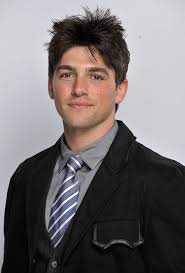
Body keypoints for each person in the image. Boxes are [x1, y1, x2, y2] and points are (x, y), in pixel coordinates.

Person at [1, 7, 185, 273]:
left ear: (120, 89)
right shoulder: (26, 177)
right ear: (51, 86)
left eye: (96, 76)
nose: (79, 89)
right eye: (66, 74)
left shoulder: (167, 182)